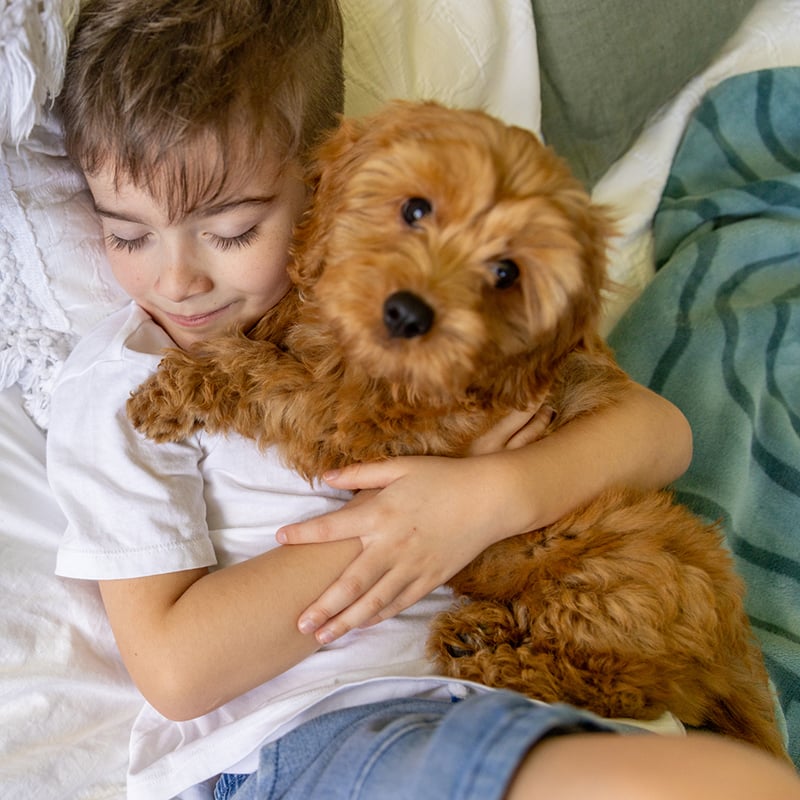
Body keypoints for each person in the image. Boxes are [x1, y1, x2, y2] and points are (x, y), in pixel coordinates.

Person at [46, 2, 800, 799]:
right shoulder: (126, 384)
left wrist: (489, 494)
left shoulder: (459, 312)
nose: (177, 281)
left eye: (232, 230)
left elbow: (662, 434)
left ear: (323, 180)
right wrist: (415, 517)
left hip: (572, 700)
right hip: (325, 728)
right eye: (127, 234)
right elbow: (176, 670)